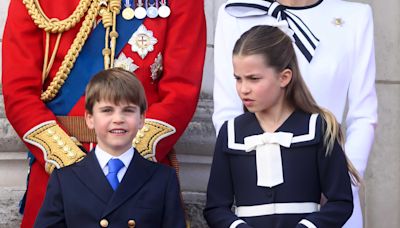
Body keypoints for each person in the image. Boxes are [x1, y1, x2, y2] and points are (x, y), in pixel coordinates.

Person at [2, 0, 206, 226]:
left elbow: (181, 94)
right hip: (58, 175)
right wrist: (75, 168)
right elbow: (19, 93)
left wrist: (128, 161)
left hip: (140, 181)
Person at [212, 0, 377, 227]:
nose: (244, 86)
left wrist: (340, 182)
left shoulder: (356, 16)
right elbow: (227, 112)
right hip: (256, 204)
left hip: (328, 196)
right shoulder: (236, 12)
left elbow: (363, 115)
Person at [34, 68, 186, 227]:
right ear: (90, 119)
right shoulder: (65, 180)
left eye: (128, 110)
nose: (118, 119)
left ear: (141, 119)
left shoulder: (163, 179)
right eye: (107, 110)